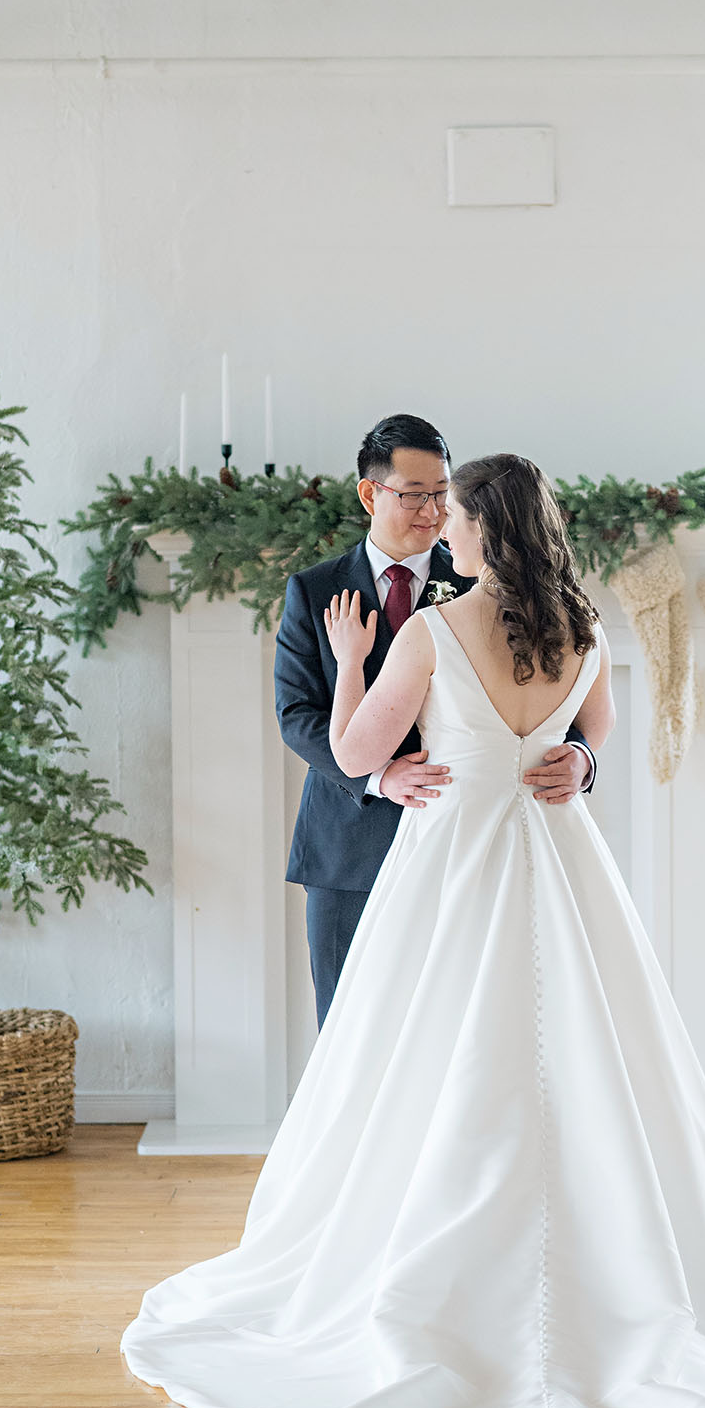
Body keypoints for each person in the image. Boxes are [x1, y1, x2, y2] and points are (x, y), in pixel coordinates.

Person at [121, 454, 705, 1408]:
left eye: (453, 515)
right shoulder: (582, 627)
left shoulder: (427, 630)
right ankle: (614, 1275)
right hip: (555, 857)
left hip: (451, 863)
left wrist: (345, 664)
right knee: (580, 1050)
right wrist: (578, 759)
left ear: (484, 529)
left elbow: (352, 757)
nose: (440, 529)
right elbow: (599, 728)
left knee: (431, 1054)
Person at [273, 413, 596, 1029]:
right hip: (350, 846)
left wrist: (581, 756)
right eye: (414, 495)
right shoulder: (314, 591)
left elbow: (561, 695)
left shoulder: (482, 576)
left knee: (456, 1033)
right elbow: (296, 715)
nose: (434, 514)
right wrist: (378, 777)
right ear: (371, 494)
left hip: (466, 845)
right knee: (352, 1032)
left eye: (442, 496)